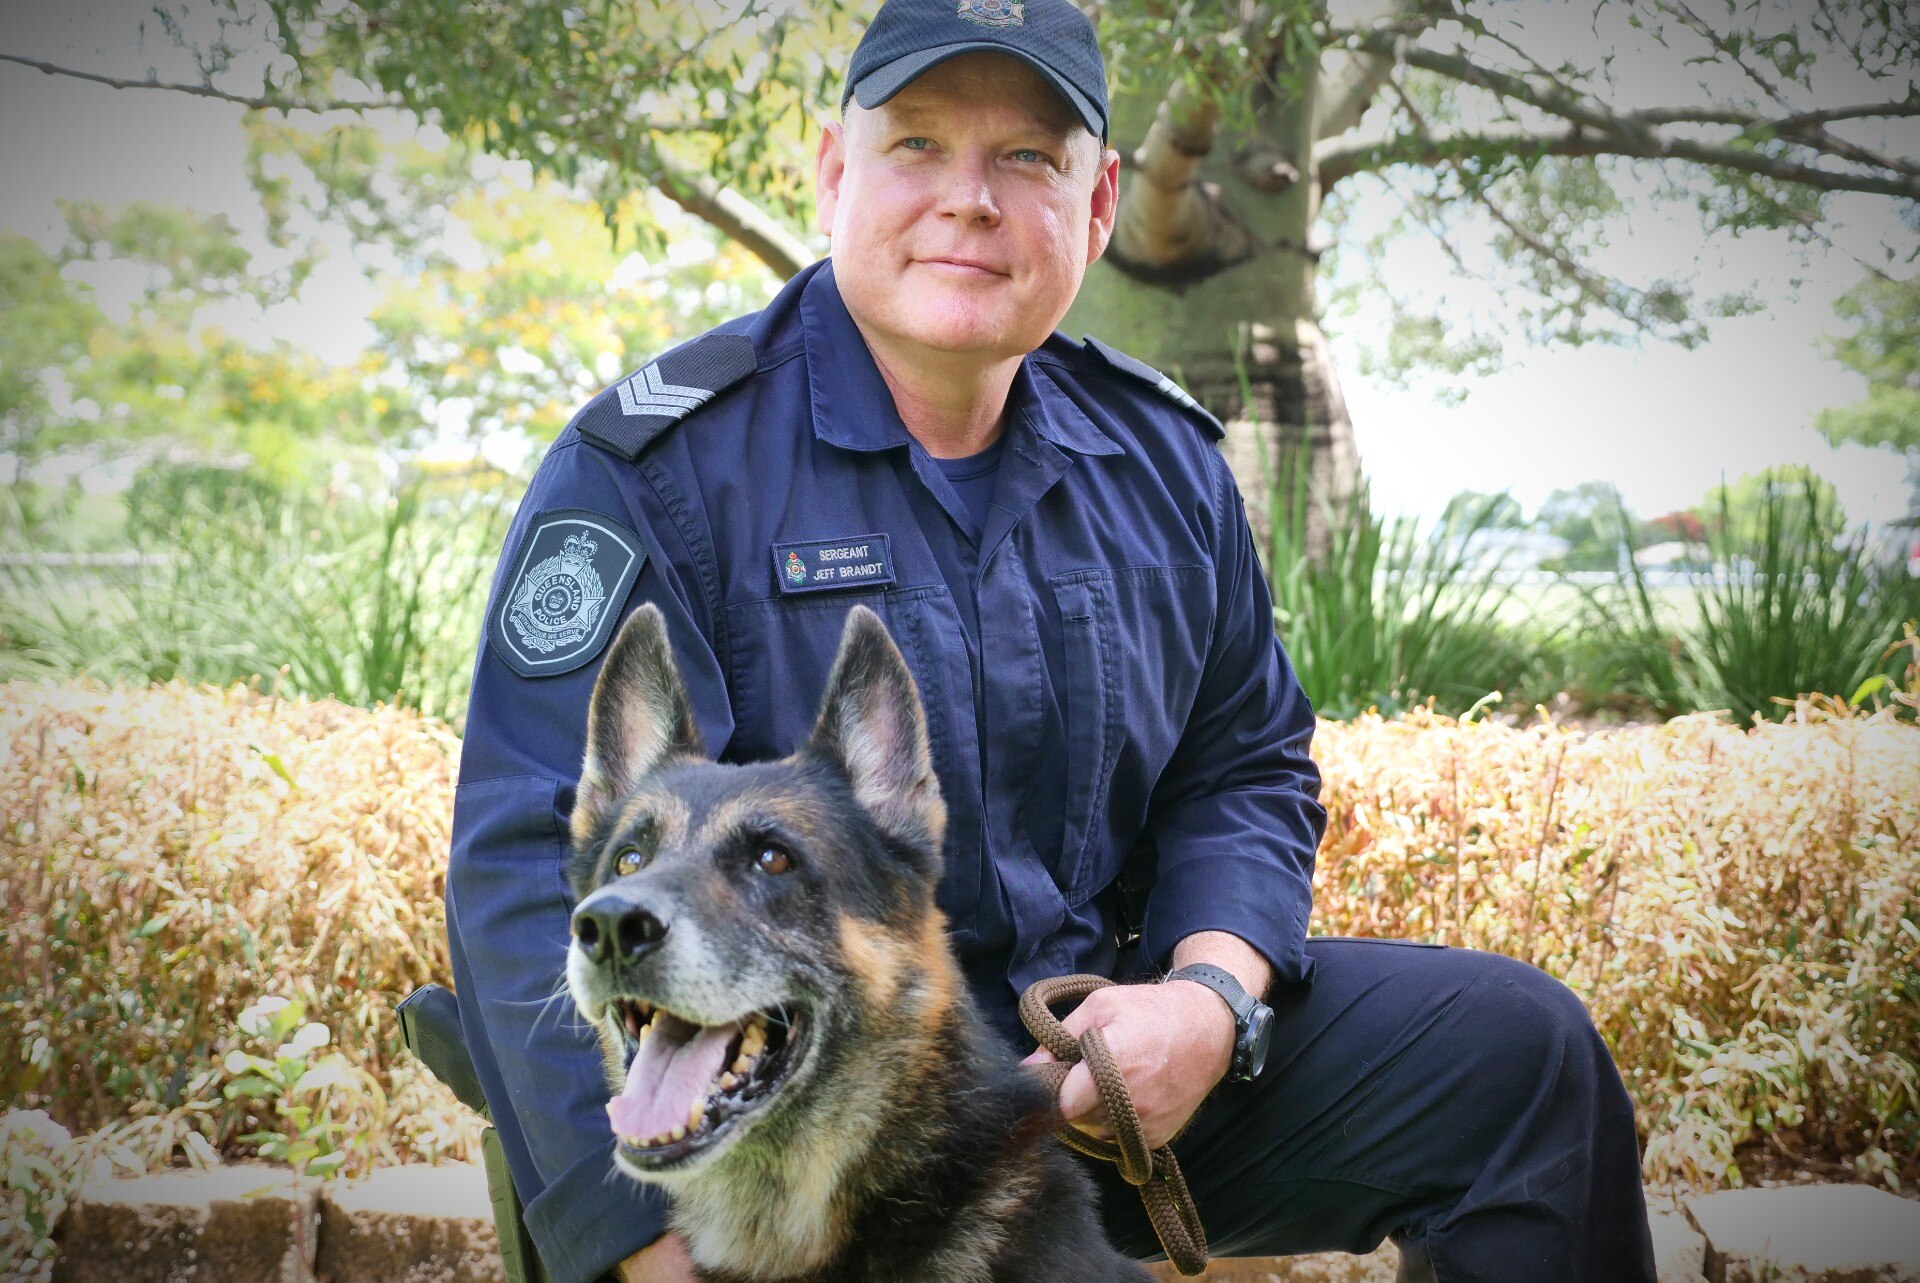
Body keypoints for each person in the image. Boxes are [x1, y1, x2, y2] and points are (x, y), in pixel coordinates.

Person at [445, 1, 1660, 1280]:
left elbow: (1243, 761)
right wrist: (645, 1247)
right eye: (916, 142)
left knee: (1524, 1063)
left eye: (1027, 157)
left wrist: (1210, 998)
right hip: (794, 1124)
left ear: (1097, 204)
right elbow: (532, 858)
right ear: (831, 170)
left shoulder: (1163, 462)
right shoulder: (655, 468)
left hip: (1104, 1093)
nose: (969, 199)